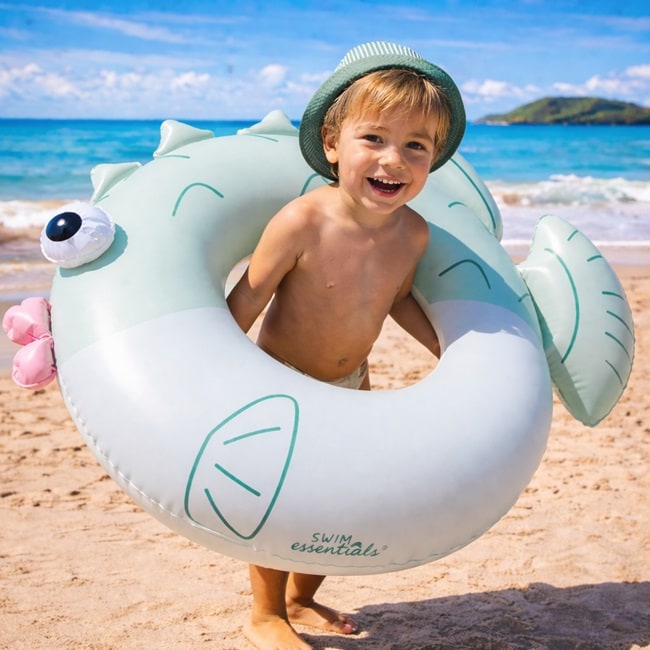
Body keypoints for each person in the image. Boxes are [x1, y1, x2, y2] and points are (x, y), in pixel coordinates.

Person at [227, 41, 466, 650]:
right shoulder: (302, 221)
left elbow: (399, 300)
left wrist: (453, 350)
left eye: (416, 145)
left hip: (353, 382)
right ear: (333, 144)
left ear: (433, 160)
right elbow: (248, 300)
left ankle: (301, 598)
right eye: (374, 138)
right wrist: (214, 373)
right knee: (285, 500)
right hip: (283, 381)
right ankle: (265, 614)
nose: (394, 159)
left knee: (339, 501)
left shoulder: (413, 234)